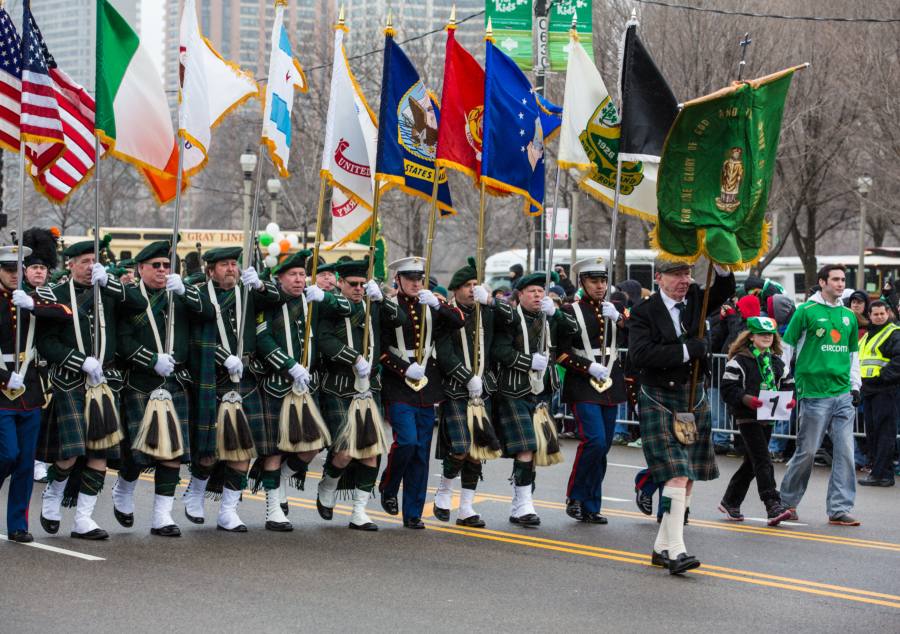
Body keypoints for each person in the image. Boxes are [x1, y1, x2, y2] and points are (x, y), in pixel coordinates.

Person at [628, 258, 735, 575]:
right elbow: (640, 355)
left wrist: (723, 257)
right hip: (659, 396)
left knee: (687, 477)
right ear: (659, 278)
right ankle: (677, 551)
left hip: (694, 395)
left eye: (687, 273)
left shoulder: (698, 299)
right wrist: (689, 351)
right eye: (677, 275)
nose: (684, 280)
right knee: (675, 473)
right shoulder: (643, 312)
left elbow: (726, 288)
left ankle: (662, 547)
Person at [36, 240, 148, 539]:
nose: (89, 266)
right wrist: (78, 361)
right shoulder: (55, 295)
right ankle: (52, 495)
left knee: (100, 452)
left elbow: (140, 304)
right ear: (70, 264)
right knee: (71, 453)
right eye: (84, 261)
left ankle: (83, 519)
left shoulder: (108, 292)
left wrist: (109, 283)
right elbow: (46, 342)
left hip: (104, 384)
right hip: (70, 380)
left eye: (94, 261)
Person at [112, 240, 215, 537]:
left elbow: (208, 313)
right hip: (140, 381)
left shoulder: (180, 296)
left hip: (175, 384)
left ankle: (162, 516)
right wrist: (151, 360)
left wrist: (186, 292)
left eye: (166, 266)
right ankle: (123, 489)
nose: (161, 270)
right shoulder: (129, 298)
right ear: (140, 269)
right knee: (137, 452)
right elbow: (122, 339)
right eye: (155, 266)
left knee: (172, 452)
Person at [180, 247, 285, 532]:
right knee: (211, 447)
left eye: (233, 264)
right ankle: (196, 491)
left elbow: (279, 299)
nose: (230, 269)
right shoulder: (200, 296)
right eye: (224, 265)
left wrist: (262, 284)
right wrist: (222, 357)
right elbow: (194, 339)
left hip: (248, 378)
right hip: (212, 377)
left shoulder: (249, 292)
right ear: (210, 270)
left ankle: (228, 511)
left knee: (244, 449)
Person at [254, 250, 350, 530]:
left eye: (301, 275)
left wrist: (327, 296)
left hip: (308, 386)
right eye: (292, 275)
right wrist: (288, 365)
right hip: (277, 384)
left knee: (314, 444)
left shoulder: (312, 300)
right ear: (280, 277)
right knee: (274, 449)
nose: (298, 280)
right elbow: (263, 339)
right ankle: (274, 509)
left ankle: (283, 478)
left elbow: (346, 309)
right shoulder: (269, 302)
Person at [315, 257, 403, 531]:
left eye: (363, 284)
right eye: (352, 284)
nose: (358, 288)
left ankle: (359, 511)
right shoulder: (329, 305)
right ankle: (328, 484)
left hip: (368, 389)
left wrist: (382, 299)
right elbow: (324, 339)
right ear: (340, 283)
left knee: (370, 452)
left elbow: (398, 319)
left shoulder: (373, 303)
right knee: (344, 451)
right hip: (340, 385)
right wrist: (354, 358)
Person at [379, 256, 464, 529]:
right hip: (398, 386)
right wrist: (403, 368)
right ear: (398, 280)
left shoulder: (432, 303)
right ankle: (388, 487)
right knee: (406, 442)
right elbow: (379, 350)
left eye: (419, 279)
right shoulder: (388, 306)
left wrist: (439, 304)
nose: (416, 283)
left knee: (420, 453)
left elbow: (460, 320)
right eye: (410, 279)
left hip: (427, 389)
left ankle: (413, 512)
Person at [492, 271, 579, 526]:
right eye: (532, 291)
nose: (538, 295)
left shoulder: (549, 316)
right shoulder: (510, 318)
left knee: (535, 446)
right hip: (514, 389)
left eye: (541, 291)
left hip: (542, 391)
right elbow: (499, 350)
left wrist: (557, 313)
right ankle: (525, 503)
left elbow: (572, 330)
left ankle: (521, 502)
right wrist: (528, 360)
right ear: (520, 295)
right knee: (526, 445)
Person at [433, 258, 514, 528]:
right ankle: (444, 491)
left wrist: (492, 301)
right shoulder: (446, 312)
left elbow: (513, 320)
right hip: (457, 387)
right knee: (459, 447)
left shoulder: (487, 310)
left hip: (484, 389)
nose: (471, 289)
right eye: (466, 285)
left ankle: (465, 508)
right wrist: (467, 377)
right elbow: (444, 352)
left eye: (475, 284)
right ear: (454, 289)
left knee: (478, 451)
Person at [779, 264, 861, 526]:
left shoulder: (849, 316)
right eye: (835, 279)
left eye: (843, 280)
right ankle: (786, 503)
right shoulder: (806, 311)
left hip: (843, 394)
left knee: (846, 452)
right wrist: (784, 379)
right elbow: (787, 347)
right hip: (814, 393)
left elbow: (852, 356)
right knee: (808, 451)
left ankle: (839, 508)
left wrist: (855, 385)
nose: (840, 284)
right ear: (822, 282)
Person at [555, 258, 628, 524]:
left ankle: (591, 505)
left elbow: (636, 337)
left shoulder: (616, 307)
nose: (600, 286)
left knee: (603, 447)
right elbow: (560, 354)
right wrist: (588, 367)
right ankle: (576, 495)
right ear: (582, 283)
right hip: (584, 384)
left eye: (603, 281)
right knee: (594, 440)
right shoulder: (569, 310)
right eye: (594, 281)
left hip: (611, 384)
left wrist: (619, 320)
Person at [0, 245, 61, 543]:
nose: (14, 276)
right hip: (1, 391)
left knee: (25, 462)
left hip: (31, 392)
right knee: (7, 455)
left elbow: (65, 313)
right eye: (8, 270)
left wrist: (32, 305)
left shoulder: (34, 298)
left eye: (17, 270)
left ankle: (17, 525)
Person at [718, 317, 795, 525]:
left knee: (752, 463)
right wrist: (748, 400)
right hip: (747, 416)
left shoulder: (778, 362)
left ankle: (730, 500)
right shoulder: (739, 361)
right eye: (762, 334)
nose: (766, 337)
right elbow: (727, 388)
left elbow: (788, 384)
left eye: (769, 334)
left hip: (769, 417)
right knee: (762, 459)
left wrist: (789, 401)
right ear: (751, 336)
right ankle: (773, 504)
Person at [21, 227, 60, 484]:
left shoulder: (55, 293)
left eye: (43, 268)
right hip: (15, 365)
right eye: (34, 267)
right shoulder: (15, 293)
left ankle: (36, 461)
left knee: (40, 415)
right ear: (24, 270)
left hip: (44, 366)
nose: (39, 271)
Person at [857, 300, 900, 487]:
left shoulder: (893, 333)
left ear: (888, 312)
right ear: (870, 315)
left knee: (884, 434)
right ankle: (878, 472)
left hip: (886, 390)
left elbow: (898, 362)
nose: (879, 317)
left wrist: (880, 377)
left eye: (882, 313)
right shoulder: (868, 336)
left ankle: (883, 474)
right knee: (874, 433)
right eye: (875, 314)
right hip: (870, 390)